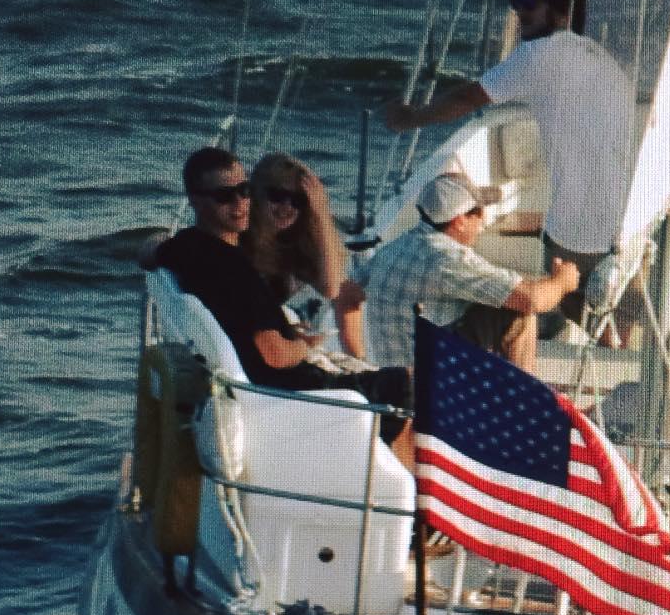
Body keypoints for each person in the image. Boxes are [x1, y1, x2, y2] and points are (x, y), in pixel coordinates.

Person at [381, 0, 634, 330]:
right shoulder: (603, 61)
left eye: (529, 4)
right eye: (517, 3)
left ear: (562, 15)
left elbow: (470, 97)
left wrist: (411, 118)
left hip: (576, 229)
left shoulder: (540, 54)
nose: (519, 13)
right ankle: (614, 344)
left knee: (575, 310)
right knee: (614, 316)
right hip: (626, 222)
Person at [152, 146, 411, 454]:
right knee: (411, 383)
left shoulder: (191, 247)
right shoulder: (236, 268)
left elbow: (152, 252)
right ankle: (409, 486)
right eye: (225, 196)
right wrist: (304, 345)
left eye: (242, 191)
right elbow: (274, 354)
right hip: (287, 390)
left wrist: (318, 208)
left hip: (263, 381)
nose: (238, 203)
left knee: (394, 377)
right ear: (196, 200)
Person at [364, 171, 580, 377]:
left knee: (502, 300)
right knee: (518, 312)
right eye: (479, 214)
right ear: (459, 221)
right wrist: (563, 281)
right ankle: (520, 399)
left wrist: (357, 355)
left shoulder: (390, 250)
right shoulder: (448, 258)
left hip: (394, 379)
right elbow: (533, 299)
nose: (483, 223)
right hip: (436, 387)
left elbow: (347, 296)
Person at [244, 151, 367, 359]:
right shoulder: (239, 239)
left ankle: (358, 359)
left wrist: (320, 212)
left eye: (298, 200)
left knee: (350, 292)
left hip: (271, 341)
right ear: (257, 195)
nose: (286, 207)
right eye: (277, 196)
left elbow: (331, 288)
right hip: (254, 346)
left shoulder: (292, 244)